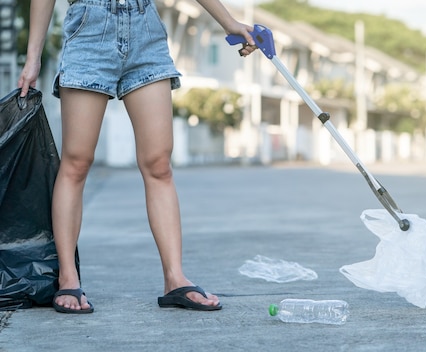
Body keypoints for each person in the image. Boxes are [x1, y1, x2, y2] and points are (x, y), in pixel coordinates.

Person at [18, 0, 256, 313]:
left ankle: (175, 279)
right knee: (76, 162)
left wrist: (229, 22)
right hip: (90, 26)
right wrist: (33, 56)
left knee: (159, 164)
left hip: (146, 30)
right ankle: (67, 278)